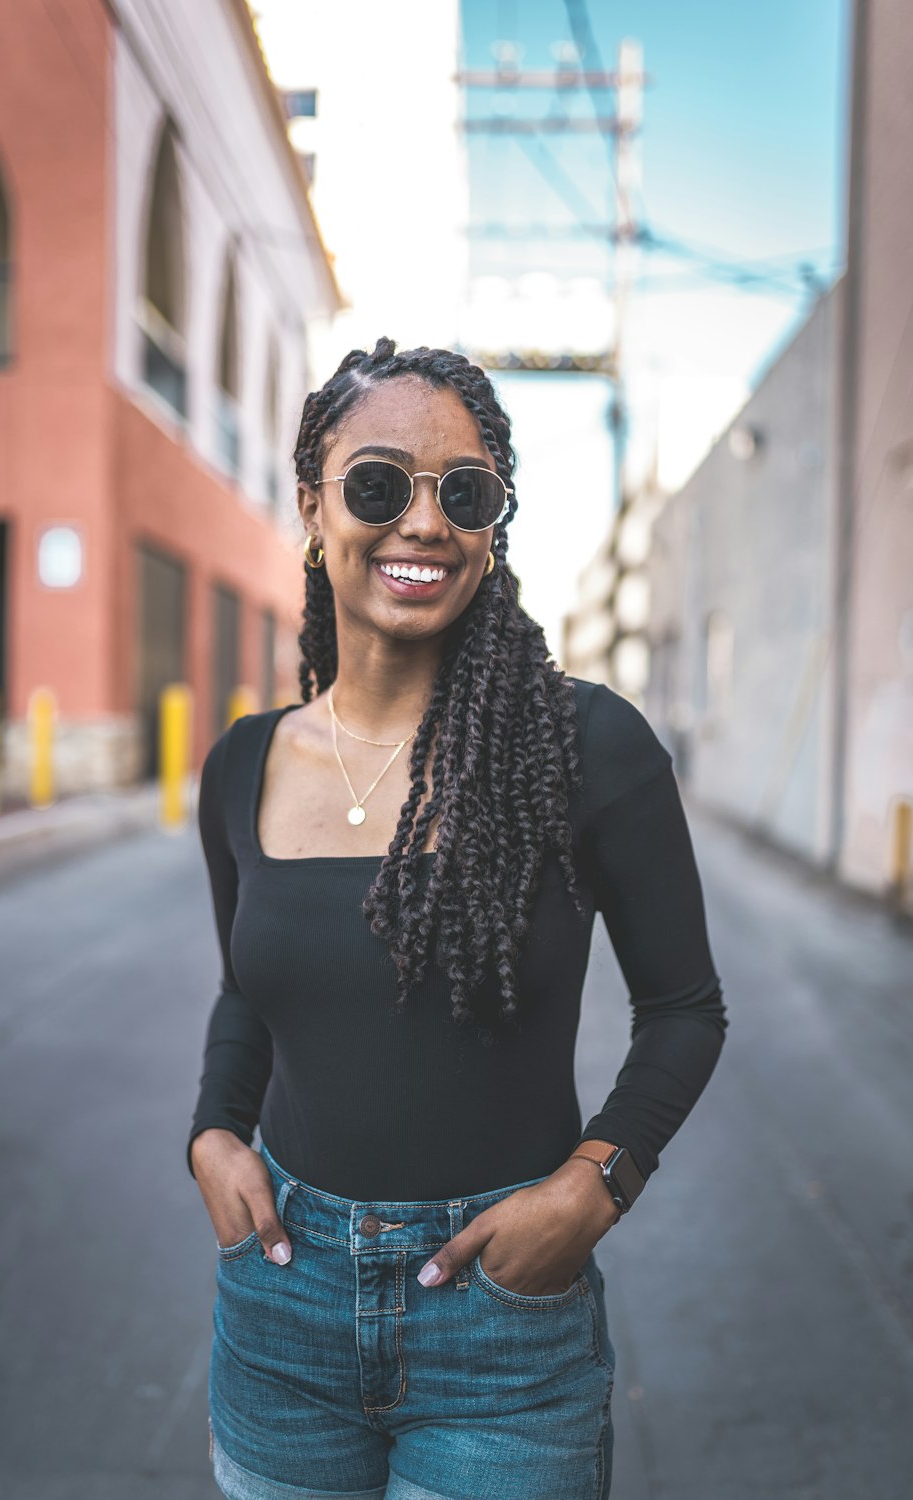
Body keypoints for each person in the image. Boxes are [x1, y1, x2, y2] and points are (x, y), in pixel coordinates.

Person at [186, 338, 728, 1500]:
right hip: (280, 1307)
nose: (422, 522)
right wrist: (214, 1133)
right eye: (379, 483)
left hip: (501, 1327)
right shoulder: (241, 766)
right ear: (314, 506)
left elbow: (684, 1009)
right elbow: (248, 988)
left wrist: (595, 1185)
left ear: (494, 523)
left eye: (463, 492)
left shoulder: (586, 749)